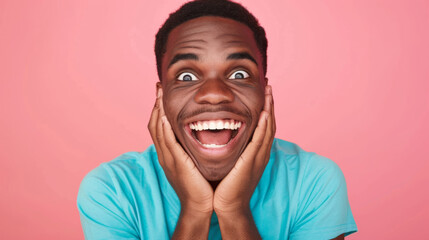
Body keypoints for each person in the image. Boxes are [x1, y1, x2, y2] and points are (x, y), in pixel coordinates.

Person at [77, 0, 357, 239]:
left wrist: (234, 209)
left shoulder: (313, 181)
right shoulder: (112, 189)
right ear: (161, 97)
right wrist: (195, 209)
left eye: (239, 74)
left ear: (265, 92)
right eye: (186, 76)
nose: (214, 94)